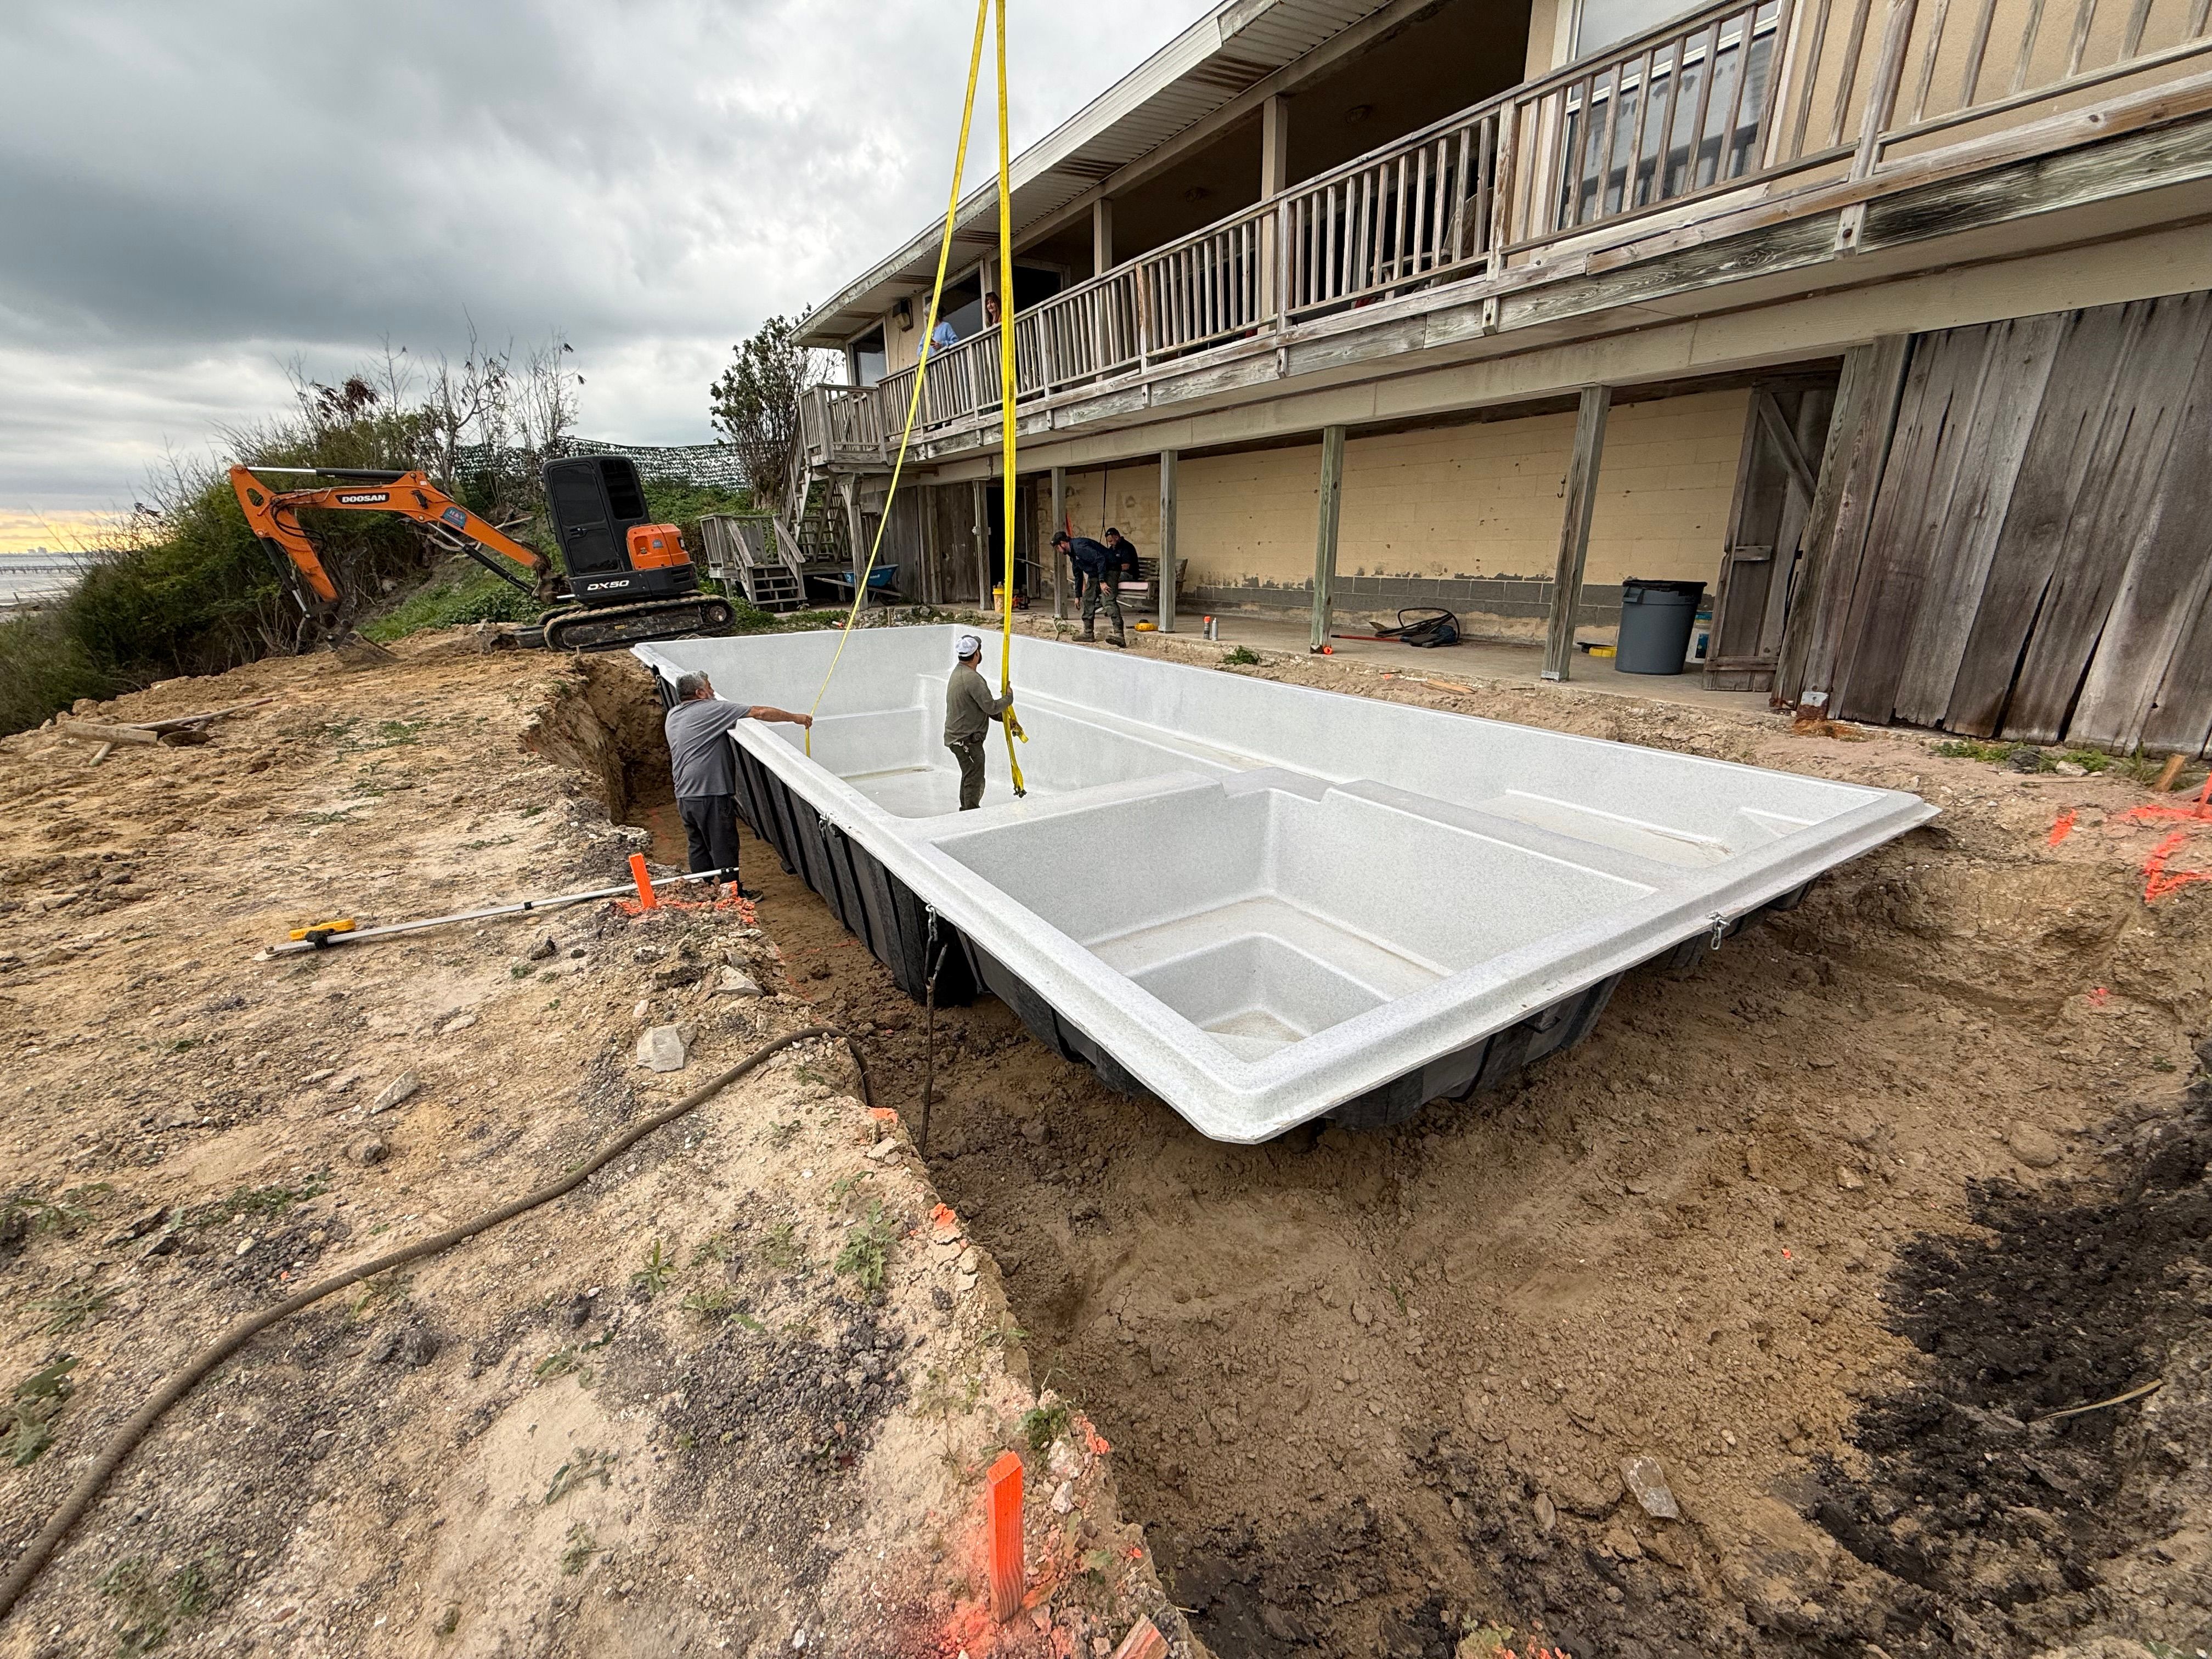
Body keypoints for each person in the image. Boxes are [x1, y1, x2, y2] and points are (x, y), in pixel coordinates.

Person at [662, 672, 812, 891]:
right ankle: (732, 892)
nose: (713, 691)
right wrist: (796, 718)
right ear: (700, 693)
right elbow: (760, 712)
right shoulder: (711, 710)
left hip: (685, 794)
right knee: (724, 843)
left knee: (698, 844)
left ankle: (701, 890)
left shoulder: (674, 714)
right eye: (709, 687)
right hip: (710, 792)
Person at [943, 633, 1014, 810]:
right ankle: (970, 813)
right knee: (974, 778)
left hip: (960, 739)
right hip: (965, 741)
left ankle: (966, 811)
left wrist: (1004, 719)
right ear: (976, 654)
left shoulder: (960, 673)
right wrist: (1009, 699)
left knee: (970, 775)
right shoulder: (972, 679)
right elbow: (991, 707)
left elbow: (981, 708)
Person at [1052, 529, 1136, 647]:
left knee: (1108, 599)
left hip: (1110, 569)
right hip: (1095, 573)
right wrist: (1077, 596)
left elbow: (1100, 559)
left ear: (1063, 543)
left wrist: (1102, 581)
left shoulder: (1080, 547)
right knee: (1088, 599)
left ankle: (1119, 635)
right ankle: (1088, 633)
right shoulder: (1073, 554)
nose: (1059, 551)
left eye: (1057, 548)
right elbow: (1078, 575)